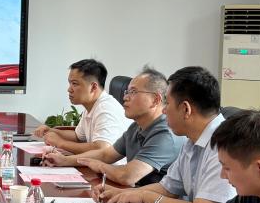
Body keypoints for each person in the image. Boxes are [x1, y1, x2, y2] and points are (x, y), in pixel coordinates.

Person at [94, 66, 235, 203]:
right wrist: (122, 193)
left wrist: (144, 196)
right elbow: (167, 188)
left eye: (167, 103)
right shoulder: (192, 141)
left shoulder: (223, 145)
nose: (163, 110)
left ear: (186, 109)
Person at [44, 67, 181, 187]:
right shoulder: (136, 127)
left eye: (133, 92)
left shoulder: (164, 134)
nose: (125, 97)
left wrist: (98, 165)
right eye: (127, 92)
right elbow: (106, 154)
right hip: (138, 196)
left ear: (156, 100)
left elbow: (127, 176)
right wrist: (64, 160)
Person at [33, 59, 128, 159]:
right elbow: (78, 137)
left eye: (74, 84)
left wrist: (61, 143)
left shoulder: (106, 109)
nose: (69, 89)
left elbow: (101, 149)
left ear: (93, 87)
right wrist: (51, 130)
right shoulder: (91, 105)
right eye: (70, 83)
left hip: (112, 168)